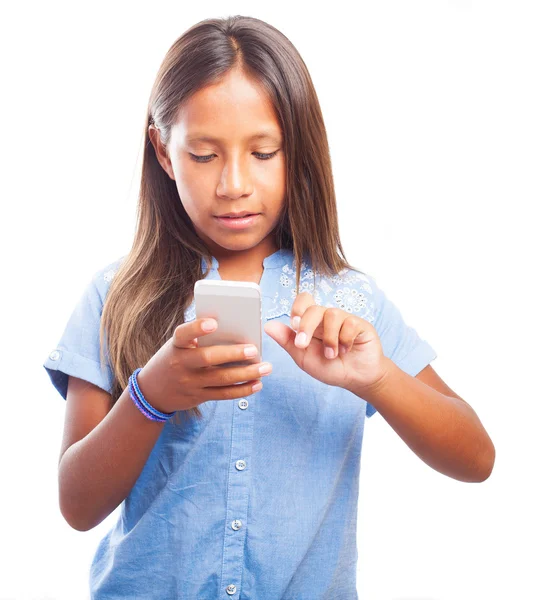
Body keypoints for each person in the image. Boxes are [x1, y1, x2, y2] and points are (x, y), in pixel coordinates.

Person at [42, 15, 495, 600]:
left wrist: (378, 378)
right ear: (162, 148)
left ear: (296, 150)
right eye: (204, 155)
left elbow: (477, 457)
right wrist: (150, 396)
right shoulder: (116, 296)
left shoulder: (350, 301)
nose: (234, 183)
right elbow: (77, 506)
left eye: (263, 152)